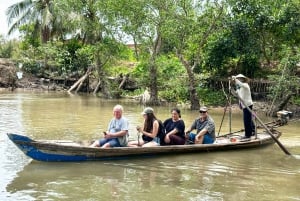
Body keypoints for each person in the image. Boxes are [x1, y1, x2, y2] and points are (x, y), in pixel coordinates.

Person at [231, 74, 255, 140]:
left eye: (240, 79)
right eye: (238, 78)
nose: (238, 80)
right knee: (248, 118)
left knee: (246, 120)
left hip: (248, 104)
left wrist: (235, 79)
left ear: (243, 79)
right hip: (243, 105)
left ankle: (248, 135)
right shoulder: (239, 87)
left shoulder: (245, 85)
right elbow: (236, 95)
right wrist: (231, 89)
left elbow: (240, 84)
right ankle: (253, 130)